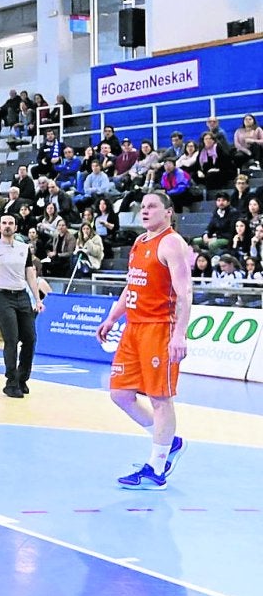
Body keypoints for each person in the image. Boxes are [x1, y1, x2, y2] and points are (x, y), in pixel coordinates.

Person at [97, 191, 191, 489]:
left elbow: (185, 292)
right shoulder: (140, 242)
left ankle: (156, 468)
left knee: (160, 398)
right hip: (133, 328)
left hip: (159, 328)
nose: (145, 211)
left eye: (152, 206)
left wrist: (179, 334)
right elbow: (131, 285)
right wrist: (113, 317)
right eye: (143, 207)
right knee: (120, 394)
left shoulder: (172, 243)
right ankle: (168, 442)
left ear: (168, 212)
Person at [0, 214, 48, 398]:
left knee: (30, 338)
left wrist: (37, 300)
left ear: (16, 227)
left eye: (10, 223)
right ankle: (11, 382)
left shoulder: (24, 249)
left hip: (22, 295)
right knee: (11, 339)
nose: (7, 226)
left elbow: (30, 275)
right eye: (4, 223)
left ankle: (22, 377)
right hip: (2, 296)